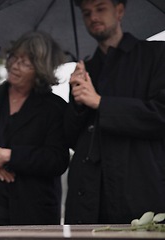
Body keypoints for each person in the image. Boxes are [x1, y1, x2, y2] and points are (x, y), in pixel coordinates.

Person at [64, 0, 165, 224]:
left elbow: (161, 115)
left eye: (101, 9)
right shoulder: (85, 71)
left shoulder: (156, 55)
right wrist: (79, 103)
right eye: (87, 13)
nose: (93, 17)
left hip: (139, 189)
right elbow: (70, 137)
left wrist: (101, 103)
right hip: (88, 196)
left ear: (119, 11)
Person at [0, 31, 69, 226]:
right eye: (14, 57)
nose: (15, 65)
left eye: (25, 63)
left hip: (33, 211)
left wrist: (7, 156)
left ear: (41, 69)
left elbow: (57, 160)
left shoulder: (54, 107)